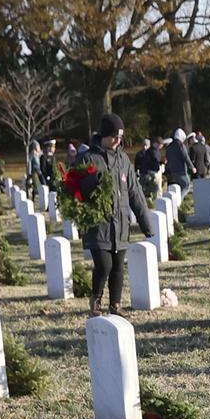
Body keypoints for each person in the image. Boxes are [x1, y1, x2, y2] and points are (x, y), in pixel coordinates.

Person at [78, 113, 152, 317]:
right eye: (114, 136)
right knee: (105, 265)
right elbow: (73, 188)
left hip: (120, 224)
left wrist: (146, 223)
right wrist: (91, 185)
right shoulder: (88, 158)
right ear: (104, 135)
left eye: (120, 137)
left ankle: (115, 305)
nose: (118, 140)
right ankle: (96, 299)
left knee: (118, 266)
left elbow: (135, 192)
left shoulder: (123, 159)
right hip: (98, 223)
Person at [165, 128, 196, 198]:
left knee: (178, 187)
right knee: (186, 185)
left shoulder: (169, 146)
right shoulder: (181, 145)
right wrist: (192, 166)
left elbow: (167, 157)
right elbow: (186, 157)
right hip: (181, 170)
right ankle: (179, 201)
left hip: (172, 170)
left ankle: (176, 200)